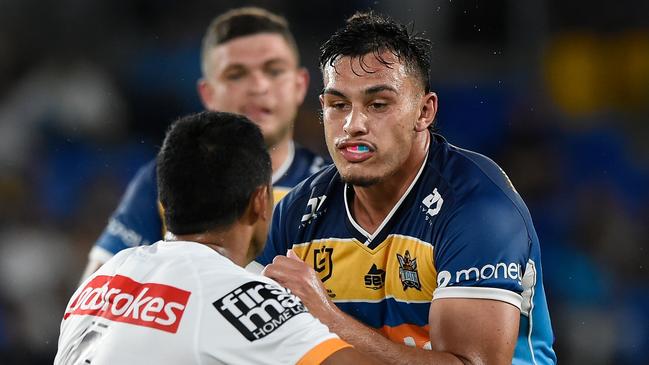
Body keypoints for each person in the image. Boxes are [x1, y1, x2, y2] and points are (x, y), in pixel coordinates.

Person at [259, 12, 557, 364]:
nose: (353, 125)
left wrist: (327, 316)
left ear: (424, 111)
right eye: (339, 106)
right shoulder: (297, 213)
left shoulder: (478, 208)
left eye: (378, 104)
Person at [55, 111, 373, 365]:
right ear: (260, 201)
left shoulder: (103, 278)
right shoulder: (240, 295)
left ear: (164, 206)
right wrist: (325, 313)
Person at [82, 7, 326, 278]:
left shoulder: (335, 190)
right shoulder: (166, 178)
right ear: (207, 94)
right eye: (236, 74)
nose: (258, 86)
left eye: (273, 70)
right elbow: (97, 293)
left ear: (300, 85)